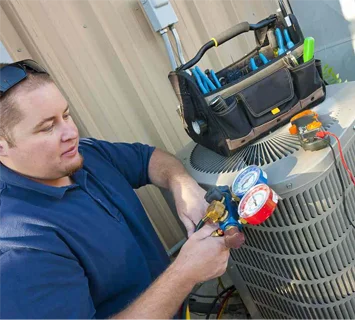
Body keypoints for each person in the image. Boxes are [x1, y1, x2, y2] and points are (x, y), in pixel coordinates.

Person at [0, 60, 230, 320]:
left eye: (66, 115)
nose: (71, 133)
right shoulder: (19, 248)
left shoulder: (84, 154)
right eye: (47, 127)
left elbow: (147, 159)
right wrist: (185, 274)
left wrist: (182, 184)